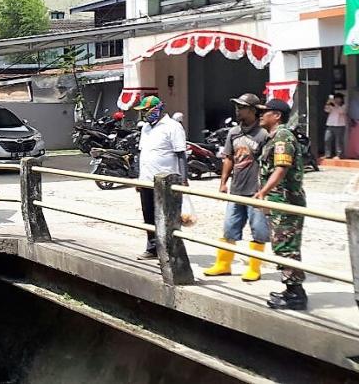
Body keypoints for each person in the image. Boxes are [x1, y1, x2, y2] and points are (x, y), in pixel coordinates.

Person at [203, 93, 270, 281]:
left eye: (242, 107)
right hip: (237, 188)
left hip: (255, 190)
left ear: (253, 111)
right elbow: (228, 158)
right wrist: (223, 182)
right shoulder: (233, 132)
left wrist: (265, 189)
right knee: (229, 227)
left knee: (258, 229)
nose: (238, 110)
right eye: (237, 107)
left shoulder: (263, 134)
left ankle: (254, 268)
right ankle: (223, 264)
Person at [255, 98, 308, 310]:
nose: (261, 115)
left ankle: (296, 294)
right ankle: (290, 289)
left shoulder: (283, 137)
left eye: (265, 112)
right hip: (278, 200)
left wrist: (263, 192)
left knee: (287, 247)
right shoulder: (274, 137)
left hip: (286, 200)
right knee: (281, 245)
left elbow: (281, 168)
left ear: (276, 115)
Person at [132, 95, 187, 260]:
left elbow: (180, 154)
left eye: (146, 111)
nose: (144, 115)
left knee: (166, 217)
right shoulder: (146, 128)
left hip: (165, 181)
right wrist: (139, 177)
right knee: (148, 215)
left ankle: (170, 251)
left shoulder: (173, 127)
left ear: (157, 109)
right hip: (147, 179)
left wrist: (183, 179)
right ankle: (152, 248)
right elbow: (143, 154)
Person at [323, 93, 347, 159]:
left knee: (339, 141)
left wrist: (335, 104)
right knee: (327, 139)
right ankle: (327, 154)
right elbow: (326, 110)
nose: (337, 100)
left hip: (340, 125)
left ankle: (339, 155)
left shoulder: (344, 106)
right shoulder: (332, 105)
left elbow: (341, 111)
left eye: (338, 98)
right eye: (336, 98)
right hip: (330, 124)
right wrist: (328, 103)